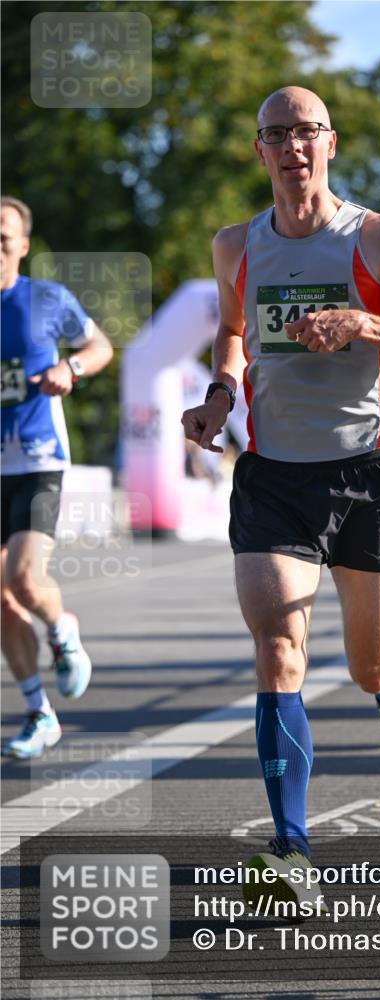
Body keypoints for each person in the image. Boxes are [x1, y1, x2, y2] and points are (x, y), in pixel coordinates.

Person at [181, 87, 380, 904]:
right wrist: (219, 396)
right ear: (259, 150)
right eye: (276, 134)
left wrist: (364, 325)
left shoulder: (379, 235)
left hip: (365, 471)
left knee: (363, 658)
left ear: (330, 143)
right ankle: (291, 849)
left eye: (306, 131)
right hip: (273, 476)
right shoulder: (235, 245)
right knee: (277, 647)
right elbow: (232, 333)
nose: (292, 147)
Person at [1, 196, 113, 759]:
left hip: (38, 459)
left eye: (3, 238)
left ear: (22, 245)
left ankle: (61, 629)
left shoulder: (45, 299)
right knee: (0, 601)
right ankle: (38, 713)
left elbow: (100, 346)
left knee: (23, 580)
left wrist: (71, 368)